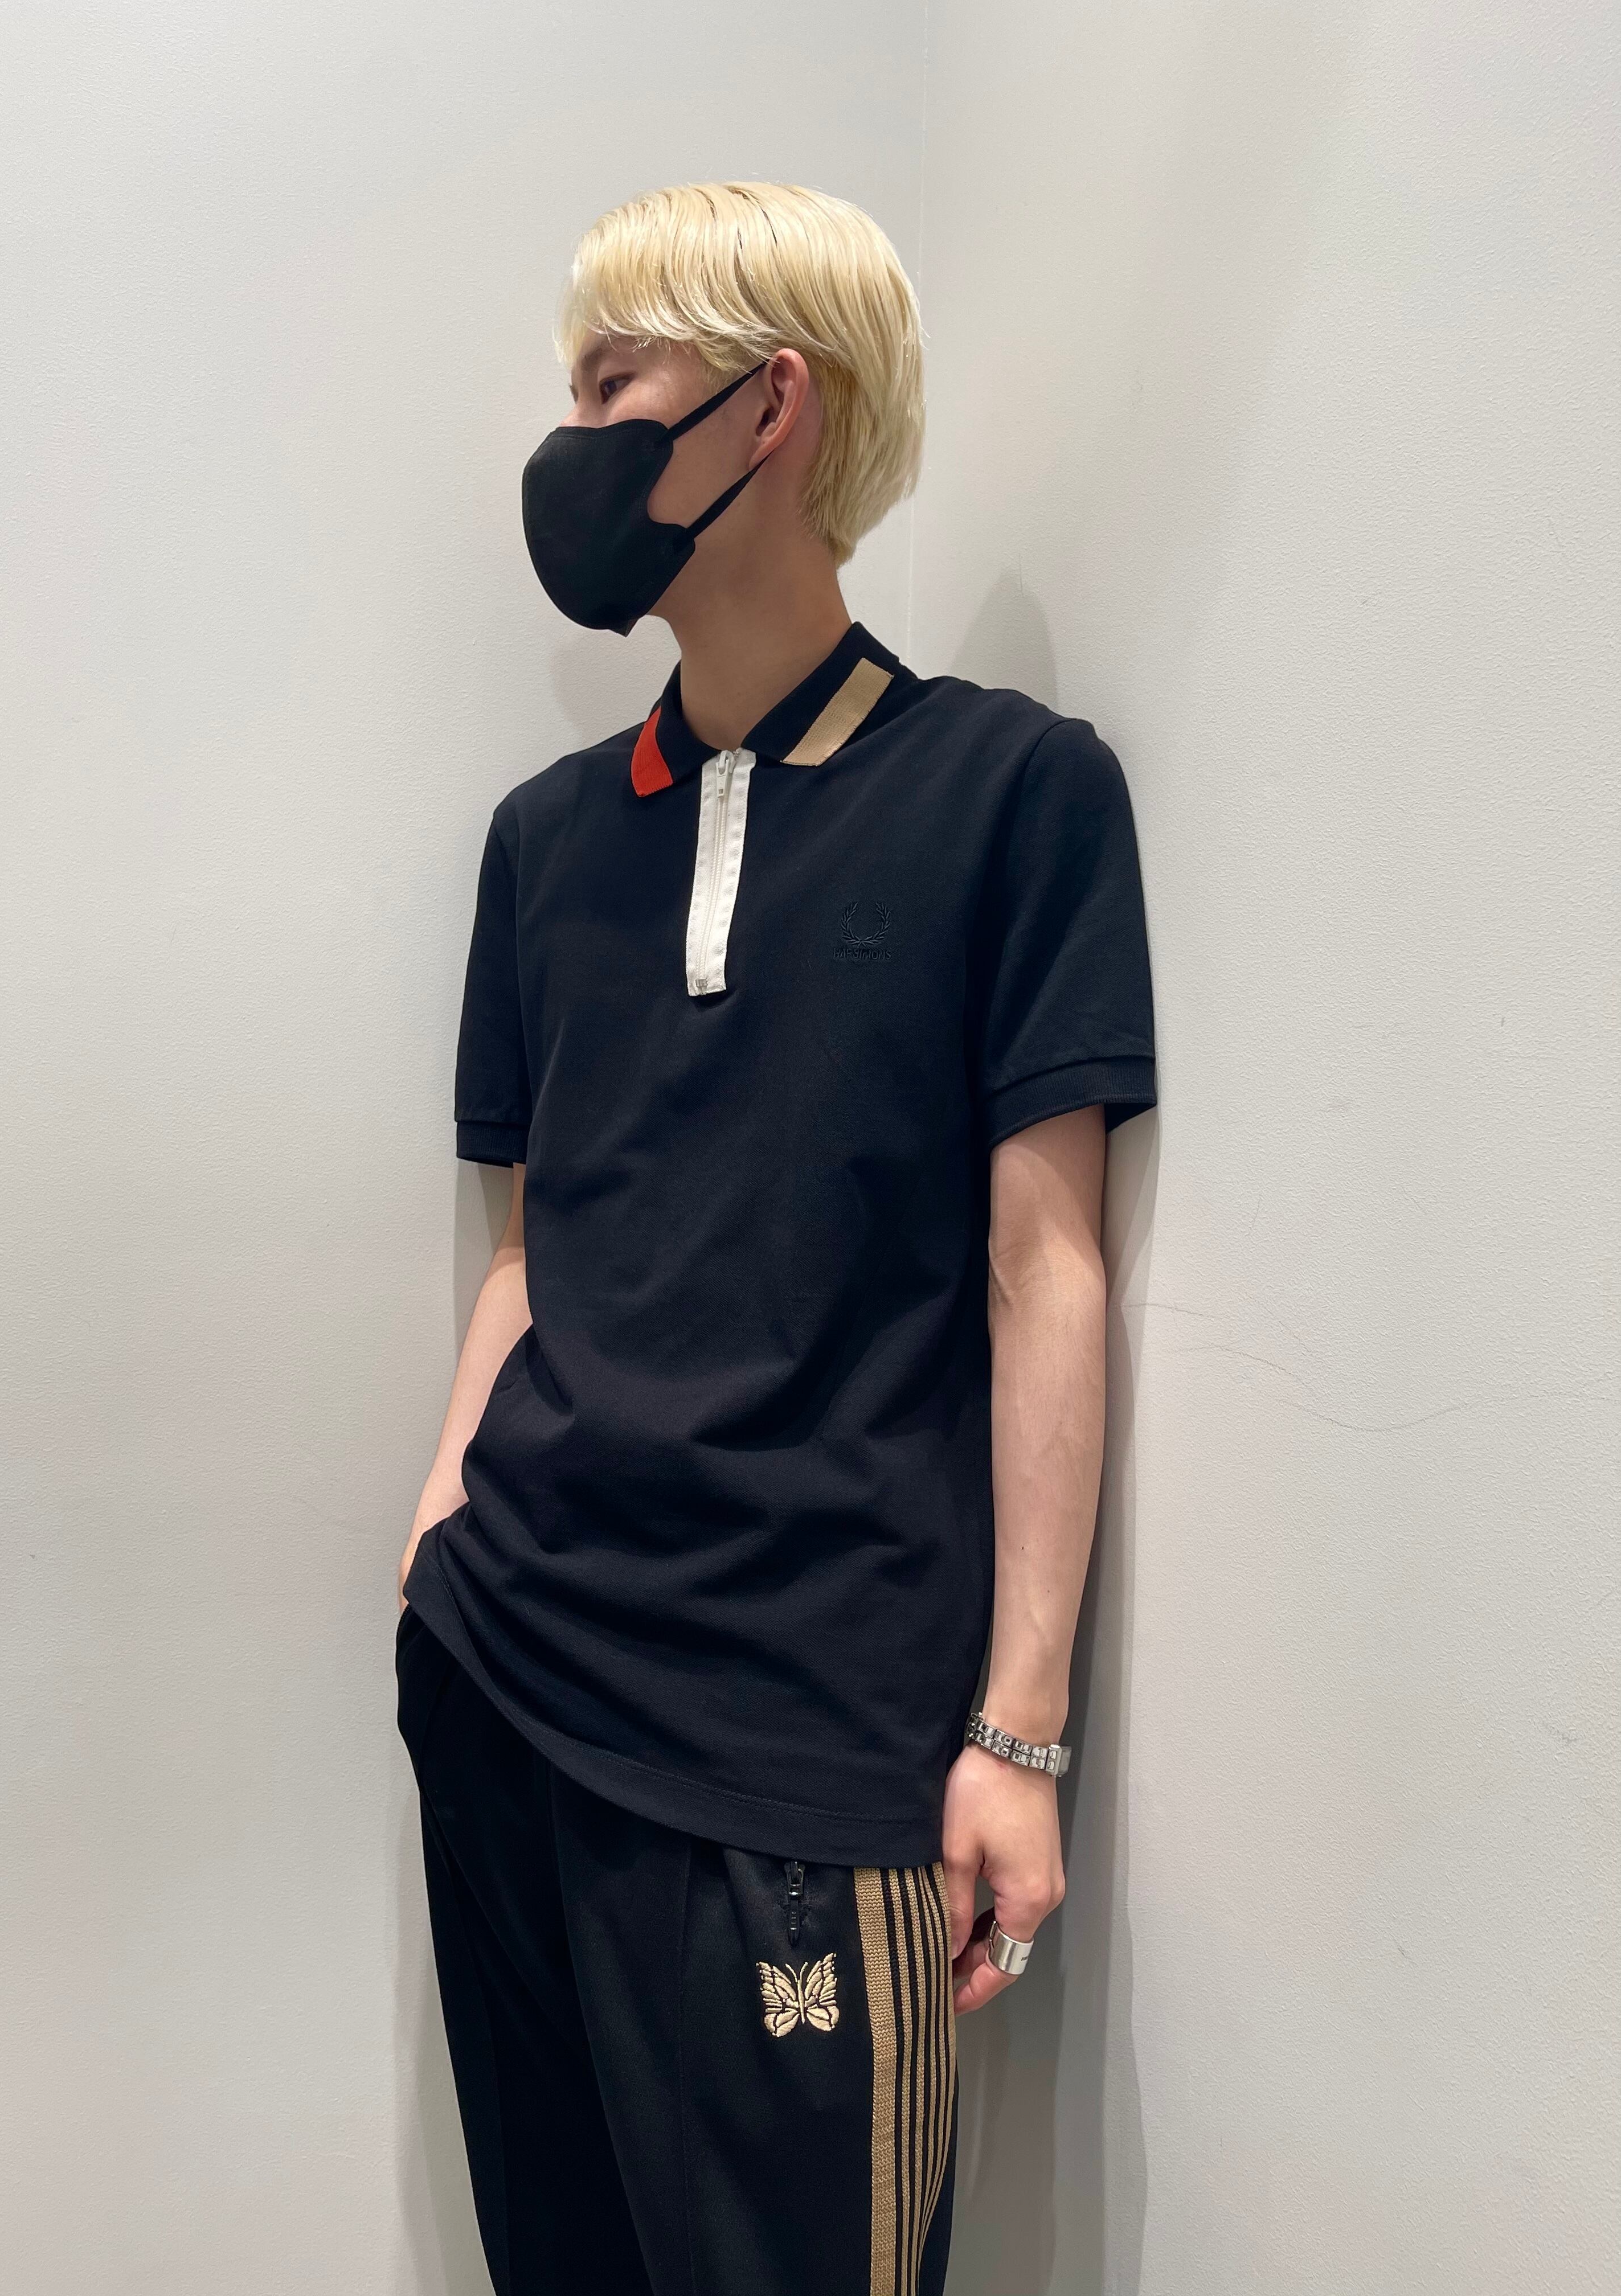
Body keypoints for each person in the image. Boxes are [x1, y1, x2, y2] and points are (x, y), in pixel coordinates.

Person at [394, 180, 1156, 2296]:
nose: (572, 442)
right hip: (511, 1686)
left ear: (769, 408)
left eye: (612, 383)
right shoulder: (544, 843)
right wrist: (441, 1523)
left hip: (819, 1758)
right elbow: (532, 1251)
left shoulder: (1015, 796)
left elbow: (1046, 1270)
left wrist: (1020, 1735)